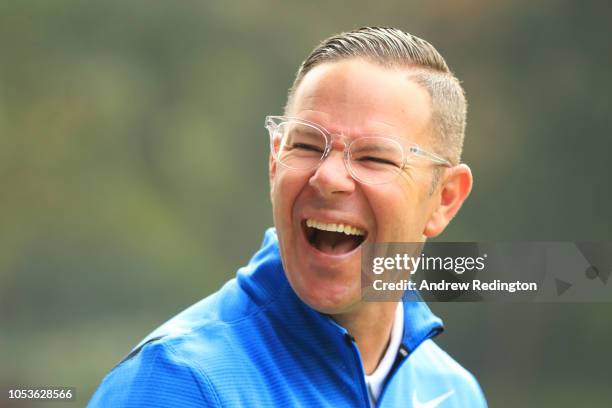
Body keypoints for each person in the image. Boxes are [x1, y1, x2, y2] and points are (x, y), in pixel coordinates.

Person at [88, 27, 487, 407]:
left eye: (374, 157)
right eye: (307, 145)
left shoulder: (455, 393)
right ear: (274, 162)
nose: (328, 177)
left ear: (444, 200)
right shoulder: (178, 382)